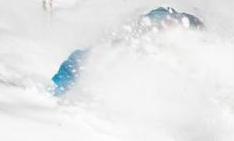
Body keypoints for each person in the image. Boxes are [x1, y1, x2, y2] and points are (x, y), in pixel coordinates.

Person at [51, 7, 203, 95]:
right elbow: (78, 63)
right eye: (169, 23)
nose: (169, 27)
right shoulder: (122, 47)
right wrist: (57, 92)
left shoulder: (184, 63)